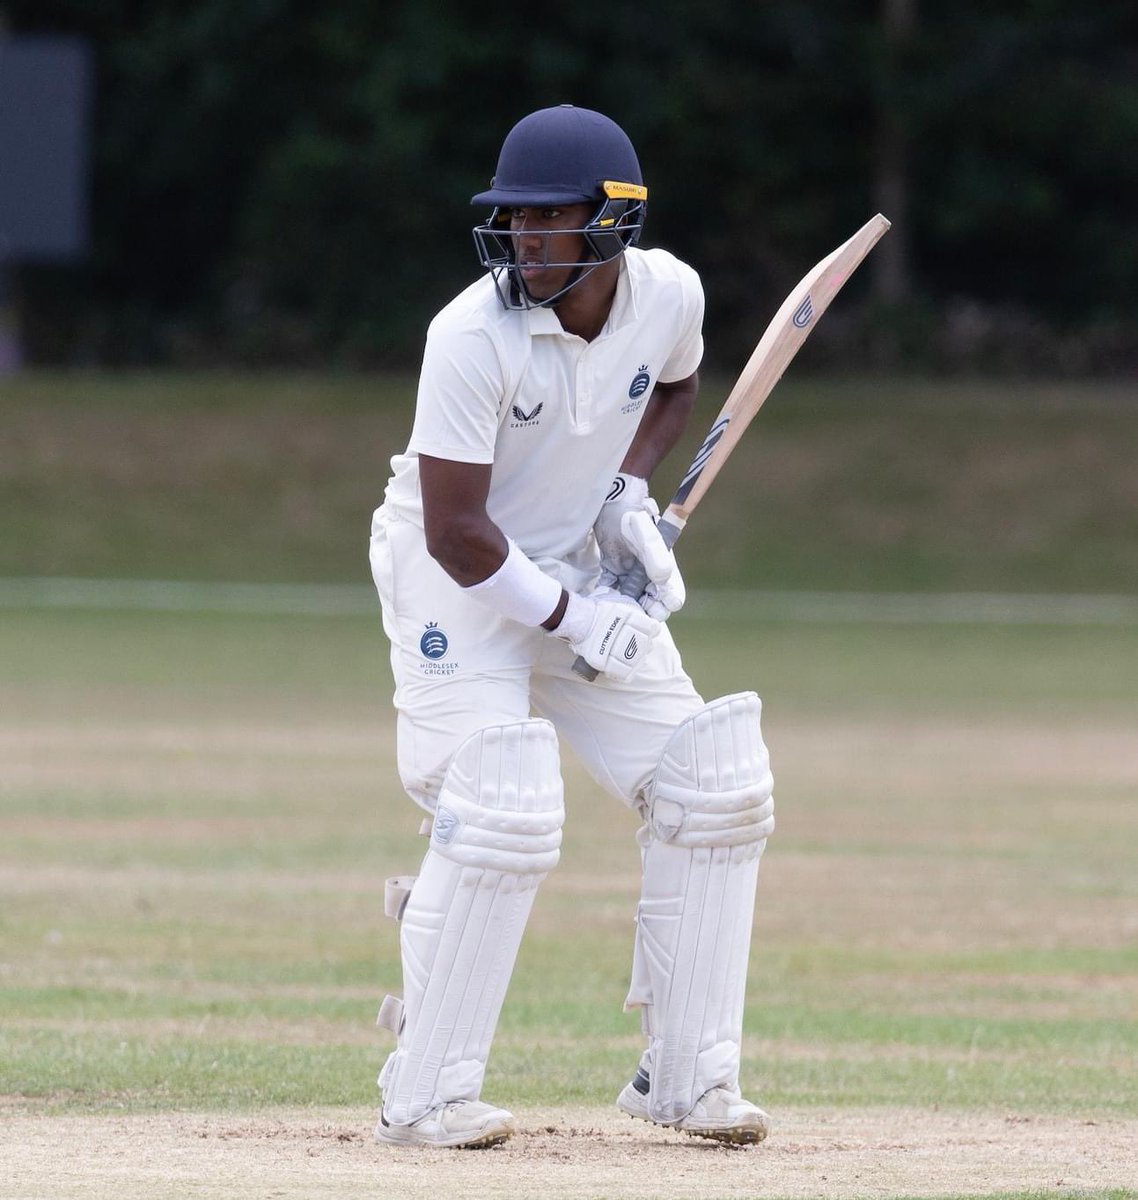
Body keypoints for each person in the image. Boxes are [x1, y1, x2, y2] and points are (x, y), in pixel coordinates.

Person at [369, 104, 775, 1150]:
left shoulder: (670, 292)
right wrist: (576, 620)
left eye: (548, 220)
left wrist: (624, 494)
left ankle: (686, 1080)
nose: (524, 242)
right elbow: (458, 533)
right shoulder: (467, 335)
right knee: (500, 804)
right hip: (455, 584)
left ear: (612, 224)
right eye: (513, 221)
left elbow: (676, 385)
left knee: (714, 782)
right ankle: (423, 1092)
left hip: (573, 568)